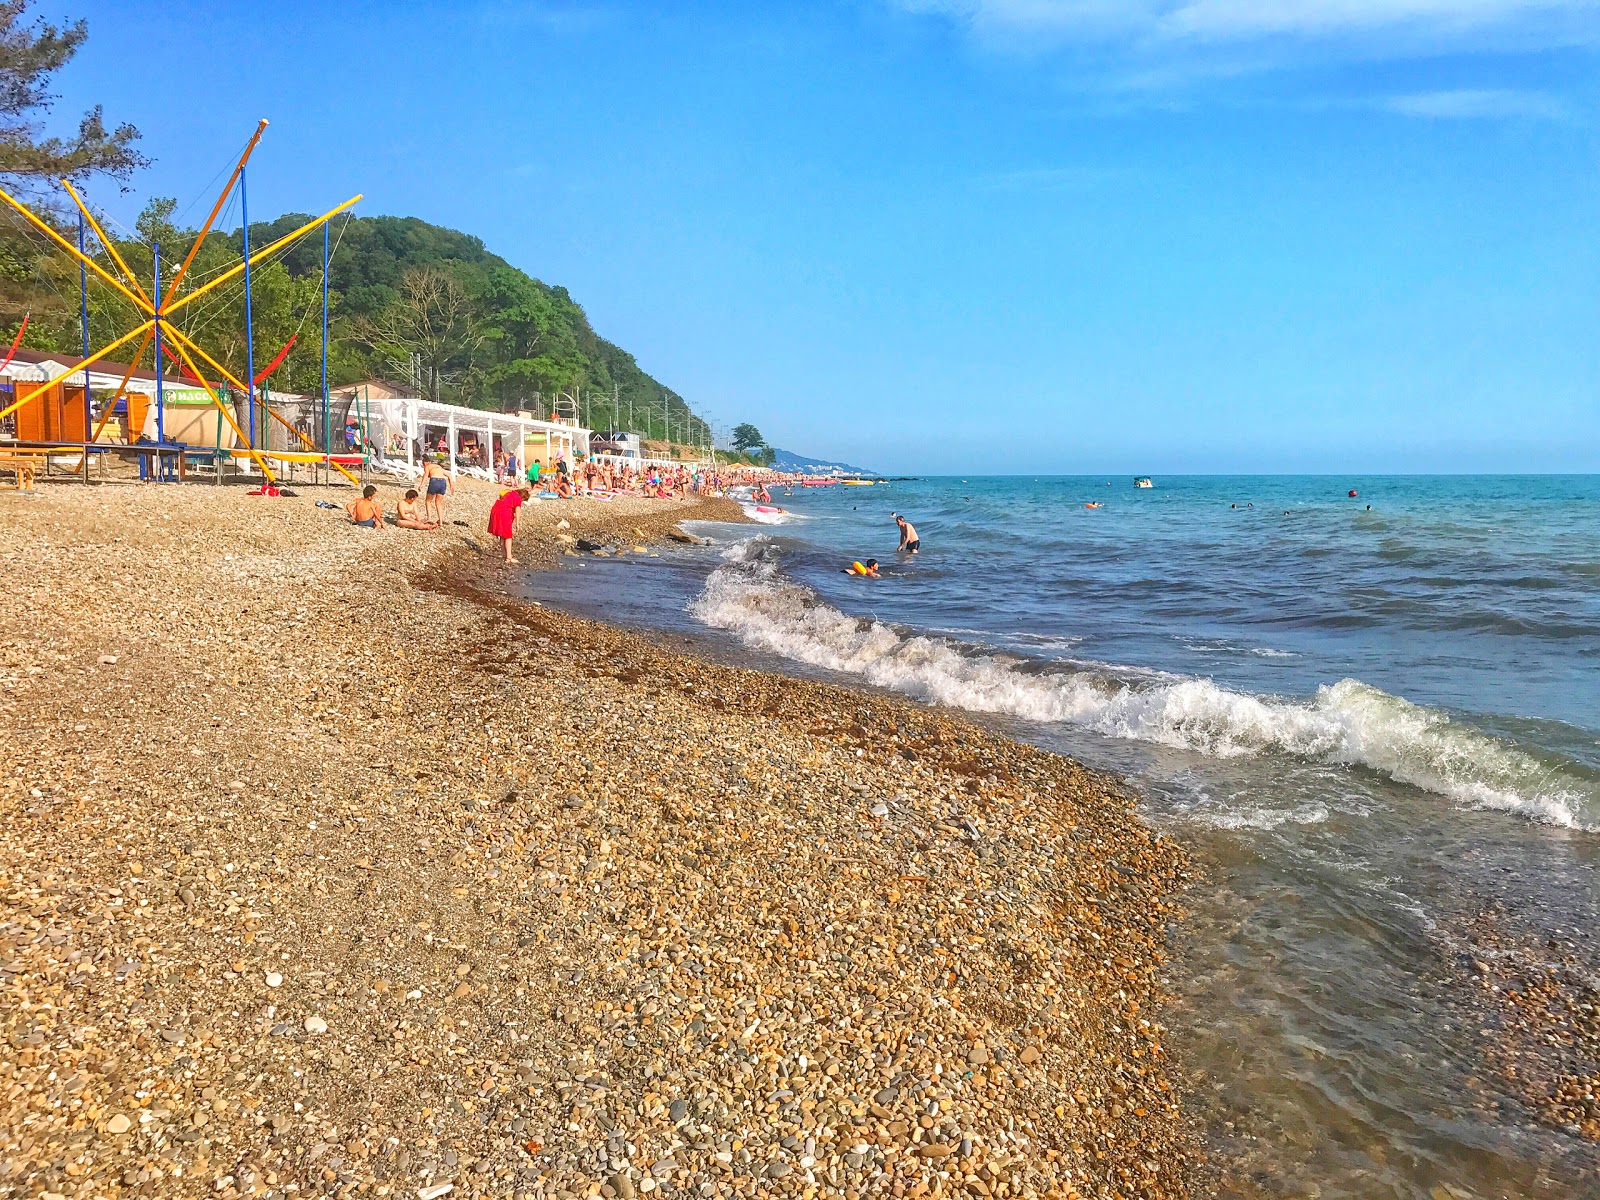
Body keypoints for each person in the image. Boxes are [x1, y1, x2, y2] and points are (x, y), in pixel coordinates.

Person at [488, 485, 532, 564]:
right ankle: (508, 558)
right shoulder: (517, 497)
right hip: (504, 513)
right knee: (508, 536)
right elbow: (518, 510)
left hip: (495, 510)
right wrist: (517, 523)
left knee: (502, 534)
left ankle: (504, 555)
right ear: (522, 497)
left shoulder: (509, 493)